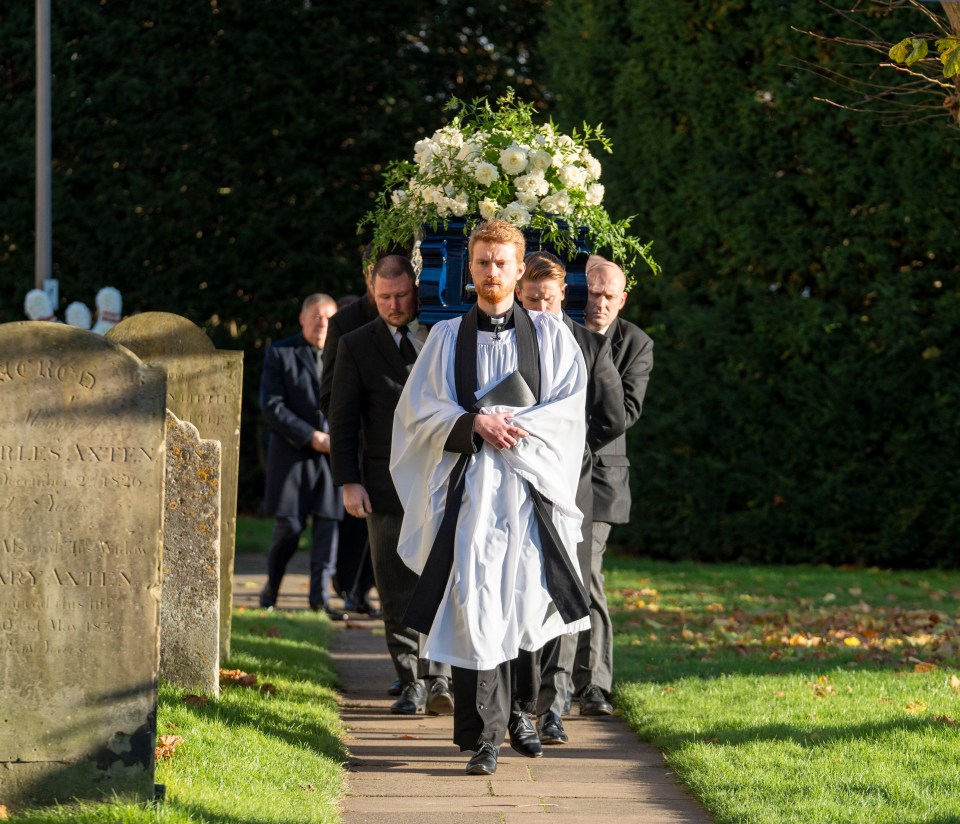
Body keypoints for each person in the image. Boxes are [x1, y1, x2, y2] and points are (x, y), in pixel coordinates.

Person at [390, 220, 590, 776]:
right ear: (468, 269)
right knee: (475, 604)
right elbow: (418, 412)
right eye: (482, 262)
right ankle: (485, 735)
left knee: (525, 601)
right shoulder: (448, 337)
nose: (492, 272)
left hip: (527, 495)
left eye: (502, 262)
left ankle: (524, 712)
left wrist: (514, 427)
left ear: (520, 268)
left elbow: (569, 410)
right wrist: (473, 423)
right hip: (472, 494)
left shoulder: (552, 337)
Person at [328, 255, 454, 717]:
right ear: (372, 293)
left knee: (439, 578)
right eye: (384, 298)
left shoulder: (442, 335)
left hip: (440, 479)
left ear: (415, 290)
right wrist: (349, 482)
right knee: (395, 583)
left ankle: (440, 673)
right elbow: (342, 421)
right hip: (383, 483)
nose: (394, 305)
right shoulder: (356, 344)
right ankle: (411, 680)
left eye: (401, 295)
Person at [516, 251, 625, 746]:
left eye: (549, 298)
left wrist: (571, 447)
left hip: (571, 485)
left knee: (567, 593)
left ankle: (554, 706)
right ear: (520, 294)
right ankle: (520, 703)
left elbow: (612, 416)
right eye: (533, 299)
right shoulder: (503, 340)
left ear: (564, 295)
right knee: (520, 592)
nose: (541, 307)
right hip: (514, 482)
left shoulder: (589, 346)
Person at [574, 258, 654, 715]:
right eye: (594, 292)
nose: (600, 303)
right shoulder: (560, 328)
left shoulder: (636, 344)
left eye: (610, 296)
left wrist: (599, 351)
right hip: (551, 469)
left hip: (600, 476)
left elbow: (622, 416)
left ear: (623, 300)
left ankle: (596, 685)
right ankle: (554, 680)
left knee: (588, 575)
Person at [259, 293, 344, 618]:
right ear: (303, 318)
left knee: (327, 528)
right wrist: (311, 437)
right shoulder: (281, 352)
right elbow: (272, 405)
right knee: (289, 529)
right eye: (316, 317)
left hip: (333, 455)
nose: (322, 323)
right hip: (292, 454)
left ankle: (318, 600)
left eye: (328, 318)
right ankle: (272, 589)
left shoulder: (344, 353)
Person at [319, 252, 381, 621]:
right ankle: (350, 589)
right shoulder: (346, 323)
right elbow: (331, 396)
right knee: (358, 532)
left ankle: (363, 591)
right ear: (366, 276)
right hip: (361, 446)